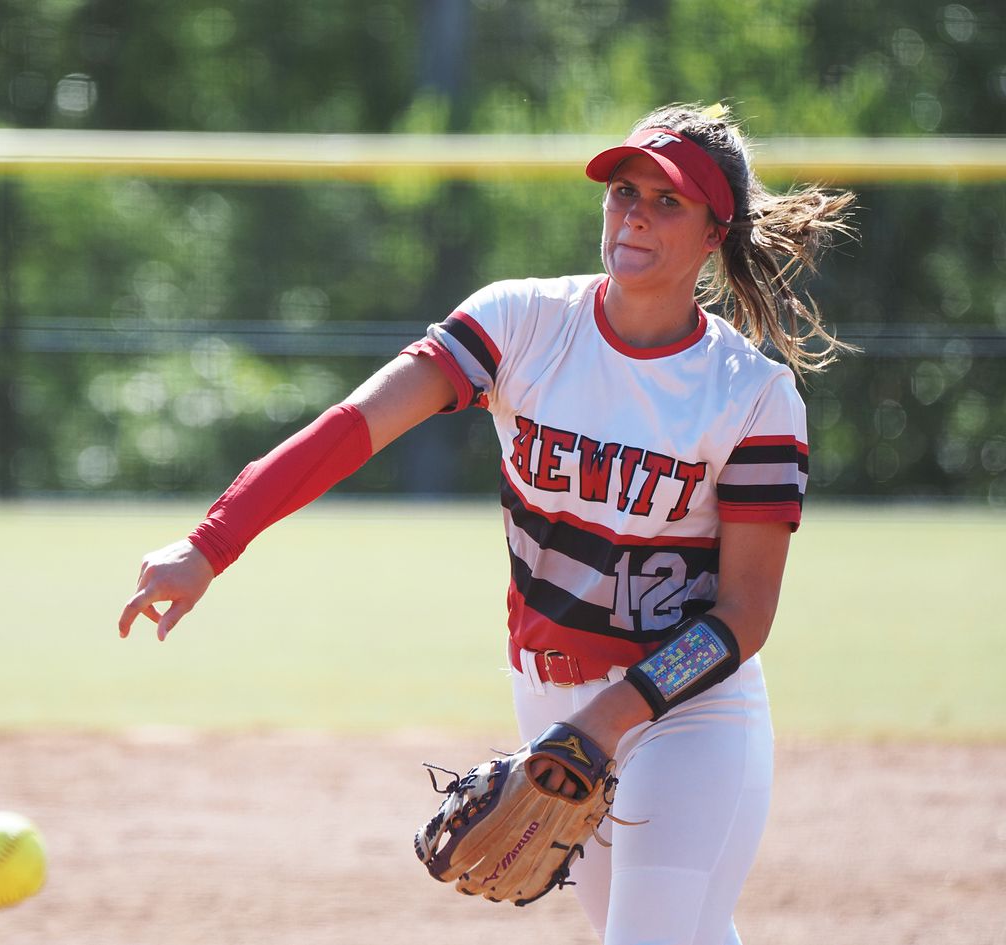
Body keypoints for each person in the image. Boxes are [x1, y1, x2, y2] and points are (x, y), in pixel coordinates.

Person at [117, 103, 855, 945]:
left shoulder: (750, 395)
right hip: (548, 692)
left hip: (684, 707)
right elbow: (353, 426)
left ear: (715, 232)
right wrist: (210, 544)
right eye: (624, 190)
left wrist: (610, 717)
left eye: (668, 200)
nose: (635, 213)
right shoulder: (523, 323)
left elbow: (743, 615)